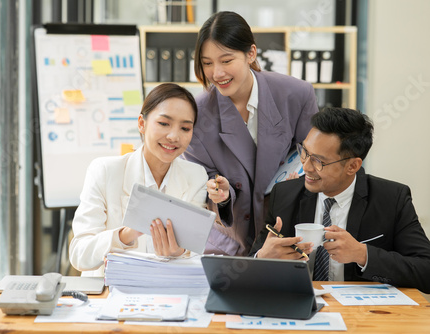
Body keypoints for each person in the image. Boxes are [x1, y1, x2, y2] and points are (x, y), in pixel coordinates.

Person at [250, 107, 430, 293]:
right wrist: (261, 258)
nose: (306, 166)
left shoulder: (392, 199)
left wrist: (363, 254)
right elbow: (246, 268)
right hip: (298, 306)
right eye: (304, 152)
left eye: (318, 161)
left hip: (364, 314)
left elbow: (426, 270)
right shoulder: (284, 194)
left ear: (352, 166)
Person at [183, 11, 318, 256]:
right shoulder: (196, 115)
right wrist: (221, 192)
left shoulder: (296, 95)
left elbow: (314, 158)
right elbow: (203, 183)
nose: (217, 73)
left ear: (251, 54)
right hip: (230, 240)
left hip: (284, 232)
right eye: (207, 63)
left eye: (226, 60)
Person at [69, 83, 208, 277]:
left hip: (168, 292)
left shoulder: (196, 177)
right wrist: (125, 235)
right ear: (142, 124)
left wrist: (179, 252)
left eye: (185, 128)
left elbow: (196, 248)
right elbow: (79, 254)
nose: (174, 136)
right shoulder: (105, 171)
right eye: (164, 123)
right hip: (110, 294)